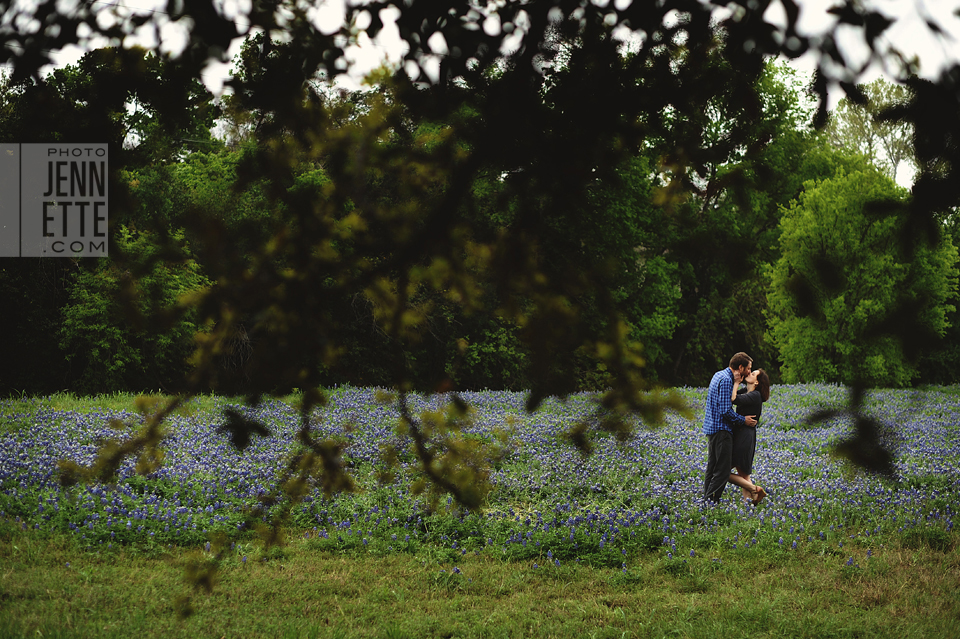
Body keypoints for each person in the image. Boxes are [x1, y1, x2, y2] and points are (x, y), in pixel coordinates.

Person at [702, 352, 759, 504]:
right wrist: (743, 420)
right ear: (740, 367)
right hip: (722, 430)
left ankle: (707, 502)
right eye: (748, 368)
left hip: (712, 428)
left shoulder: (718, 374)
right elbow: (725, 410)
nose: (748, 371)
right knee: (722, 470)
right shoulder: (727, 380)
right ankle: (711, 500)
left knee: (712, 467)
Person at [731, 368, 771, 505]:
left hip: (744, 436)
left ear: (757, 382)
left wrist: (736, 382)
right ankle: (748, 502)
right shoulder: (748, 391)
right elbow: (733, 394)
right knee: (744, 474)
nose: (749, 374)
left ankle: (755, 489)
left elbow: (734, 399)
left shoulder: (755, 395)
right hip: (743, 434)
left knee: (723, 471)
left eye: (753, 374)